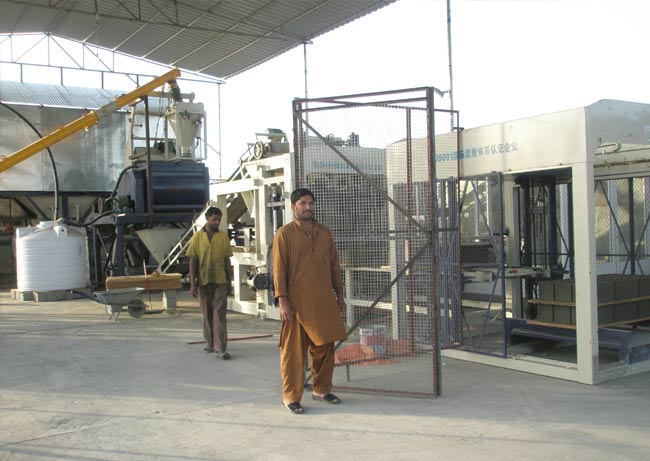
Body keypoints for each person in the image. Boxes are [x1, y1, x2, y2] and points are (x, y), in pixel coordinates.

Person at [272, 188, 347, 414]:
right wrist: (282, 301)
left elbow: (334, 265)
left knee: (324, 348)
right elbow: (279, 270)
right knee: (293, 354)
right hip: (296, 305)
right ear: (293, 207)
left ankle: (321, 390)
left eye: (311, 203)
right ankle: (290, 397)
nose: (308, 207)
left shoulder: (324, 233)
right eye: (303, 203)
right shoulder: (284, 234)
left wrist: (340, 295)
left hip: (323, 302)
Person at [186, 206, 234, 360]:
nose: (217, 222)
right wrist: (192, 284)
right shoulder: (197, 238)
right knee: (207, 313)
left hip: (220, 280)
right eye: (214, 219)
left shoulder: (223, 238)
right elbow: (193, 260)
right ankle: (210, 342)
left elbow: (227, 260)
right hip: (203, 280)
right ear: (207, 219)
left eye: (219, 219)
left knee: (219, 314)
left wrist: (229, 282)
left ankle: (221, 348)